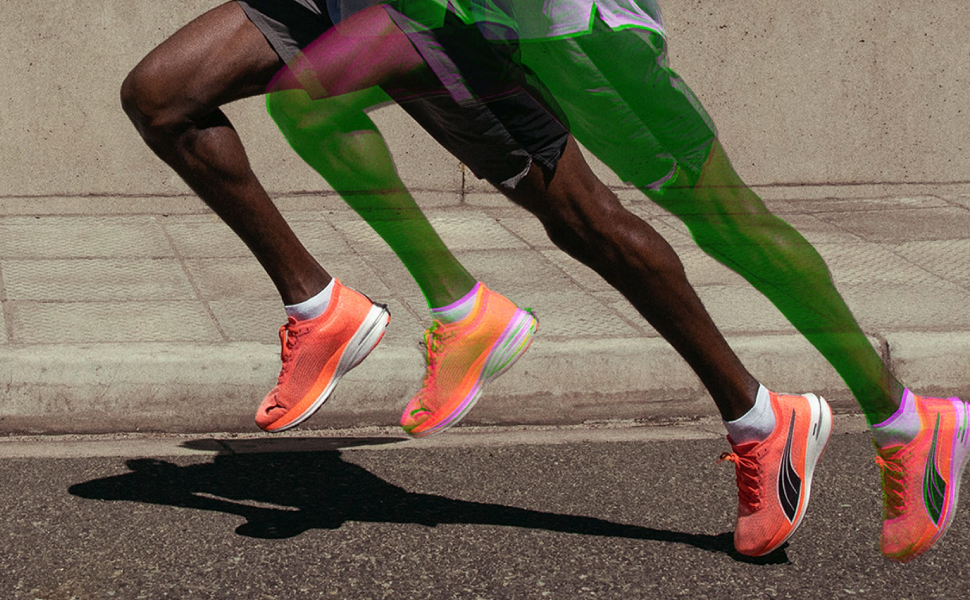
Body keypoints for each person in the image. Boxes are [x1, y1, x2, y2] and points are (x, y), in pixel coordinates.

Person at [264, 0, 970, 561]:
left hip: (577, 33)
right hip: (486, 26)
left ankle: (905, 420)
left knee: (724, 219)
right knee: (311, 104)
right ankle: (770, 420)